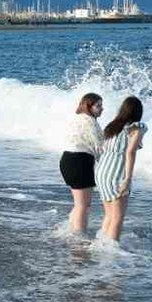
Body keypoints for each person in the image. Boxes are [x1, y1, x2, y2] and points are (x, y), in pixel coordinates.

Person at [94, 96, 147, 242]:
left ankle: (100, 243)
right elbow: (130, 152)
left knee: (109, 215)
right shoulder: (138, 127)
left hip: (102, 172)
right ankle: (111, 250)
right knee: (118, 217)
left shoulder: (112, 127)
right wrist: (127, 179)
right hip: (116, 173)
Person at [60, 93, 104, 234]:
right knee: (83, 205)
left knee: (79, 204)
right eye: (98, 106)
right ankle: (78, 237)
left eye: (101, 106)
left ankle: (69, 230)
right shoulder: (90, 121)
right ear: (88, 107)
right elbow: (100, 146)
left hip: (67, 160)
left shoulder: (76, 119)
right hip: (80, 162)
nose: (102, 109)